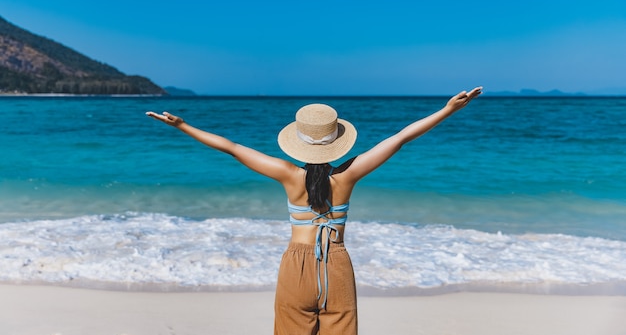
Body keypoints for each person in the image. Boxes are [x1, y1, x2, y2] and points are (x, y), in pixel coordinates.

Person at [146, 86, 482, 335]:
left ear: (299, 141)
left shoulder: (288, 174)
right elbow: (399, 139)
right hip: (335, 261)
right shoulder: (348, 175)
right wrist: (448, 109)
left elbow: (233, 148)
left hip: (297, 264)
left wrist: (182, 126)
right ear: (338, 141)